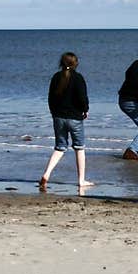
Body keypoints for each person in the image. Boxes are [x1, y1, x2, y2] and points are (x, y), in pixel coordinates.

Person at [38, 52, 93, 191]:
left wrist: (53, 113)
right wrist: (85, 110)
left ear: (61, 63)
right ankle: (81, 180)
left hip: (58, 117)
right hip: (74, 118)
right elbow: (82, 97)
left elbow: (51, 98)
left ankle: (47, 173)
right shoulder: (78, 78)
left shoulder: (56, 77)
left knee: (60, 148)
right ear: (76, 64)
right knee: (79, 148)